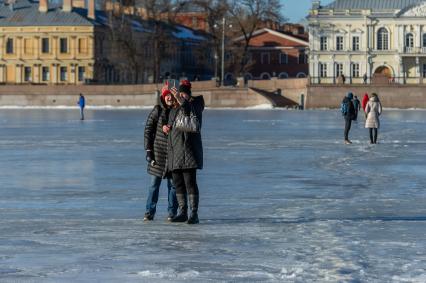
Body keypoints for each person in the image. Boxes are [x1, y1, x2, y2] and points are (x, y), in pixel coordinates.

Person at [167, 80, 204, 224]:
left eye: (183, 94)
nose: (179, 97)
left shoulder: (195, 105)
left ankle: (193, 213)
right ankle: (182, 211)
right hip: (176, 152)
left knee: (190, 183)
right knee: (178, 183)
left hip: (189, 152)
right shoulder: (175, 109)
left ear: (188, 95)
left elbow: (189, 112)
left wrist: (182, 100)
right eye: (179, 94)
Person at [143, 88, 179, 221]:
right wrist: (148, 150)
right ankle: (149, 212)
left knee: (173, 186)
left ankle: (172, 213)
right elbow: (148, 130)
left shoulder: (177, 111)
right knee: (154, 185)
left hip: (173, 155)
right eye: (166, 96)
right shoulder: (157, 110)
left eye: (171, 95)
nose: (169, 98)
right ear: (163, 97)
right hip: (158, 154)